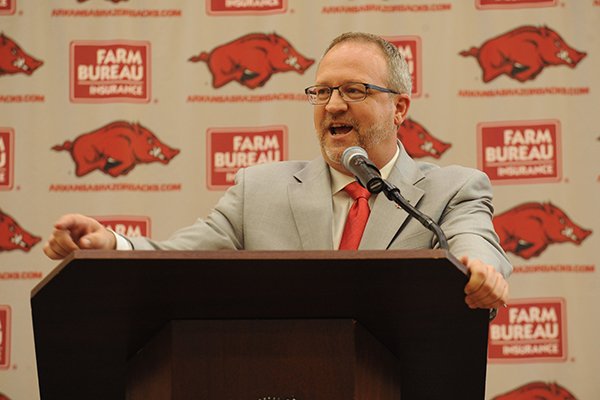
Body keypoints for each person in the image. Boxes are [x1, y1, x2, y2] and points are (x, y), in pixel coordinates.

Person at [44, 32, 510, 310]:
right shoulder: (258, 191)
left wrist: (477, 270)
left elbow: (475, 244)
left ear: (399, 107)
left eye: (353, 90)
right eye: (322, 92)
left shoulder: (452, 190)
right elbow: (179, 259)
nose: (333, 105)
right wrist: (111, 246)